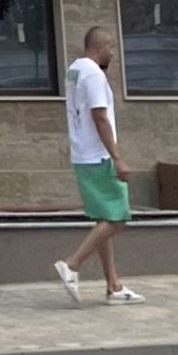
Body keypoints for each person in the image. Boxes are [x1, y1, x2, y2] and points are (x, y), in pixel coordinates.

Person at [54, 23, 143, 303]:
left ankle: (113, 286)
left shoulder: (75, 69)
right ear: (99, 47)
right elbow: (100, 117)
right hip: (99, 156)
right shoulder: (93, 74)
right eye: (111, 47)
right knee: (117, 219)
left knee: (104, 219)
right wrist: (117, 157)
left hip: (83, 155)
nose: (113, 53)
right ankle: (72, 264)